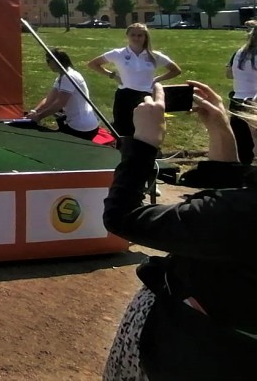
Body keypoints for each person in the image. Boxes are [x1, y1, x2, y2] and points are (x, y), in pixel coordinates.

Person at [102, 82, 257, 380]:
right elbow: (223, 220)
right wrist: (221, 132)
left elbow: (124, 217)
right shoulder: (237, 212)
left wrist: (143, 144)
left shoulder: (239, 213)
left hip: (192, 348)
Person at [87, 23, 181, 138]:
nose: (136, 38)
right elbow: (93, 64)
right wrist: (112, 75)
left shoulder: (154, 55)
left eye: (140, 35)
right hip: (124, 96)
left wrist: (157, 79)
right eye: (133, 35)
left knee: (144, 130)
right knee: (122, 130)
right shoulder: (118, 53)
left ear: (145, 37)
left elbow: (176, 70)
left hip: (146, 96)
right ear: (127, 36)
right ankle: (123, 153)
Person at [24, 49, 100, 140]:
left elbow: (59, 103)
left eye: (48, 61)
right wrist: (34, 112)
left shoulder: (69, 77)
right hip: (80, 124)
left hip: (81, 128)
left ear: (57, 61)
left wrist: (39, 117)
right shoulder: (62, 76)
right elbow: (49, 99)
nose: (47, 64)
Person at [225, 19, 257, 164]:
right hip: (253, 103)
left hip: (238, 100)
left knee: (241, 145)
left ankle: (242, 177)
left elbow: (229, 73)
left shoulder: (239, 53)